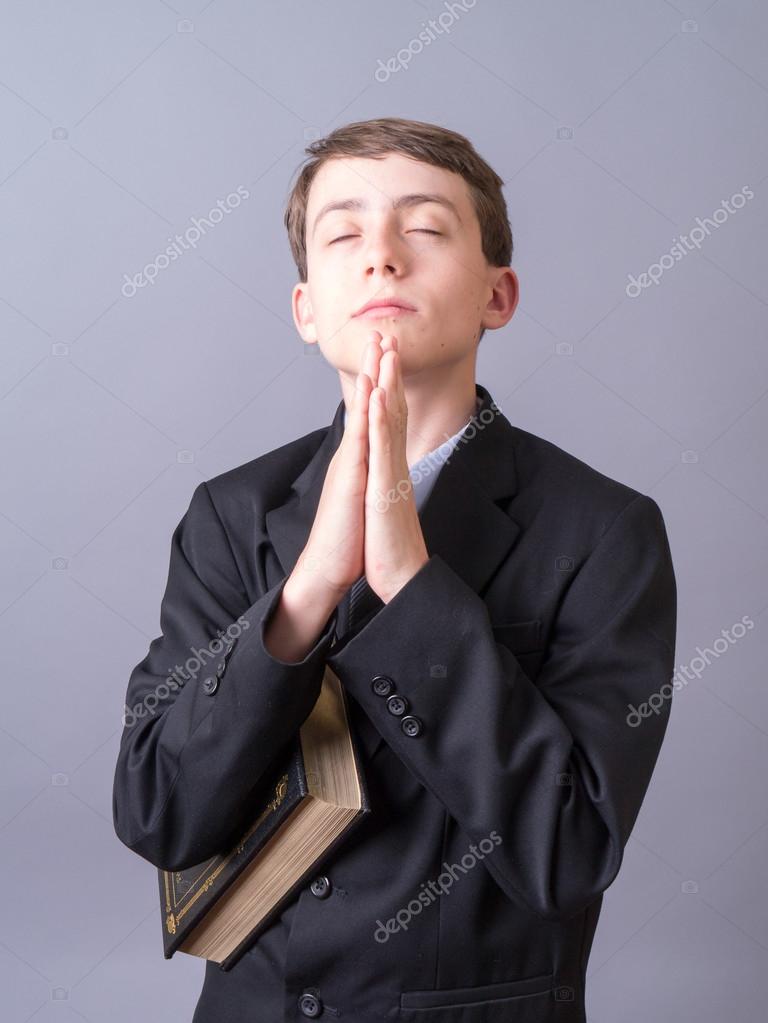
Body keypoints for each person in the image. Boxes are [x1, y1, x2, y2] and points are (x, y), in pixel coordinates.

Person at [112, 116, 677, 1022]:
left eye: (424, 228)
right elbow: (158, 813)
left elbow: (567, 852)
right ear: (306, 309)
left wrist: (411, 582)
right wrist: (304, 597)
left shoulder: (606, 530)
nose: (381, 256)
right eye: (342, 234)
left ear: (500, 294)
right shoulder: (229, 513)